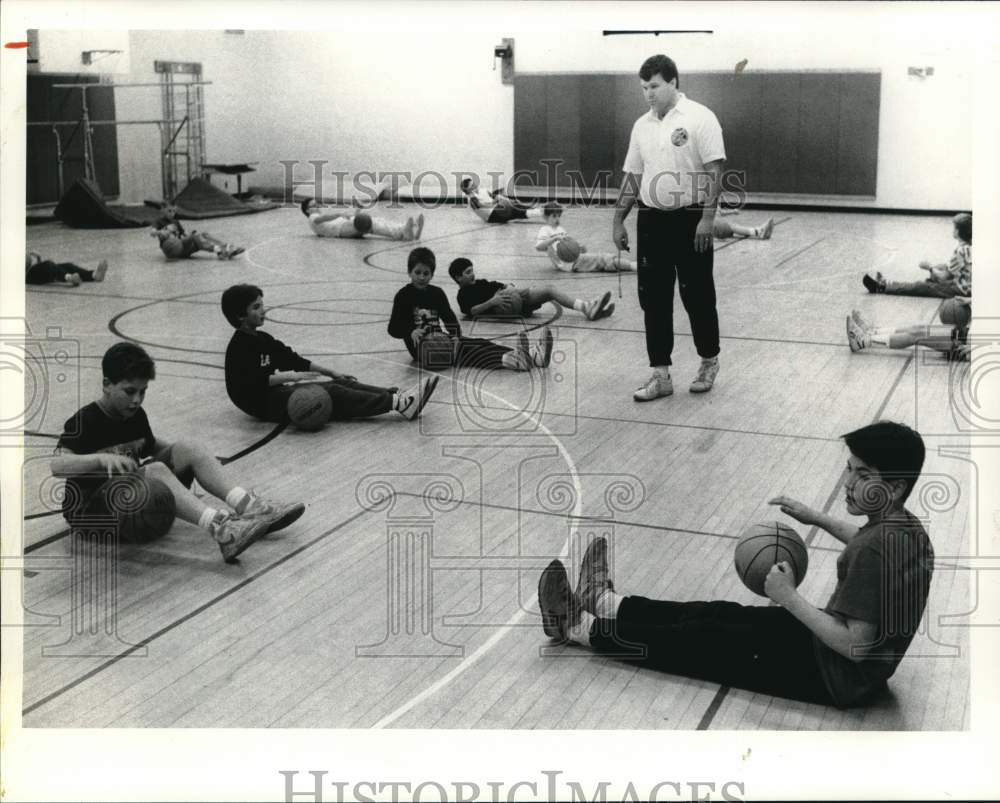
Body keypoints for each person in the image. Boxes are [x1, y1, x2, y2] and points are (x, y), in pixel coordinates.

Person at [538, 421, 933, 709]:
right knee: (715, 614)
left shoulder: (874, 550)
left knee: (694, 642)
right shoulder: (905, 529)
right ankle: (606, 602)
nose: (848, 482)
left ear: (895, 487)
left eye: (863, 475)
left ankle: (577, 627)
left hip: (834, 676)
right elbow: (863, 544)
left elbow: (856, 646)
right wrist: (816, 517)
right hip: (844, 665)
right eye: (849, 468)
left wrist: (788, 598)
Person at [51, 342, 305, 563]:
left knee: (189, 446)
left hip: (131, 500)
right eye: (130, 391)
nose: (137, 399)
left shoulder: (135, 415)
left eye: (143, 392)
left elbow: (152, 446)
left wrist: (195, 458)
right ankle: (223, 531)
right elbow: (57, 465)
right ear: (107, 384)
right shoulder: (86, 420)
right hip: (92, 513)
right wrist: (99, 459)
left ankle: (251, 507)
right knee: (156, 469)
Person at [611, 54, 726, 400]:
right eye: (644, 88)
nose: (648, 93)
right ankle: (660, 375)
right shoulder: (641, 126)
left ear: (673, 82)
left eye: (655, 86)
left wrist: (707, 218)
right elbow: (633, 177)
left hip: (691, 219)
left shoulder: (700, 117)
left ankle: (708, 361)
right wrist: (618, 220)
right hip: (651, 221)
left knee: (697, 295)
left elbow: (715, 171)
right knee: (654, 300)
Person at [222, 284, 438, 423]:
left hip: (273, 393)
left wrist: (331, 372)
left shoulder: (263, 338)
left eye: (262, 305)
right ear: (241, 315)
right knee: (332, 392)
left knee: (342, 383)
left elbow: (293, 359)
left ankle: (397, 395)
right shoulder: (238, 347)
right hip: (260, 404)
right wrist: (292, 377)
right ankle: (399, 404)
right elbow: (254, 382)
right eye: (256, 307)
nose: (263, 310)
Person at [388, 247, 553, 372]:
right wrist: (410, 331)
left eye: (426, 273)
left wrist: (456, 336)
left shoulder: (436, 293)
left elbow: (449, 318)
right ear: (409, 272)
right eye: (417, 272)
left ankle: (532, 356)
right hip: (423, 350)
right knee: (469, 353)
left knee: (479, 343)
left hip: (441, 339)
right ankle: (512, 360)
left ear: (432, 274)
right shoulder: (403, 296)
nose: (422, 277)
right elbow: (393, 328)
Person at [448, 257, 615, 321]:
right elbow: (472, 311)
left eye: (472, 270)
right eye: (467, 272)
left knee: (549, 290)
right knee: (546, 291)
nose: (472, 274)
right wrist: (493, 301)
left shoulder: (481, 282)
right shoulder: (462, 295)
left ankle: (586, 307)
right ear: (458, 277)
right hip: (504, 308)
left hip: (512, 296)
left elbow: (499, 285)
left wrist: (509, 287)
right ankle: (588, 308)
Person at [862, 213, 971, 297]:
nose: (952, 230)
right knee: (938, 270)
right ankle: (889, 284)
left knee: (920, 286)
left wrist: (930, 268)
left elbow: (945, 276)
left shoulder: (960, 251)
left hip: (960, 290)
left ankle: (881, 287)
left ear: (958, 231)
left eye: (954, 228)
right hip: (966, 285)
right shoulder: (969, 247)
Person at [846, 299, 972, 360]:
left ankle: (862, 341)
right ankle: (874, 331)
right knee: (918, 329)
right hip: (968, 336)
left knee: (918, 335)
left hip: (967, 346)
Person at [535, 202, 637, 272]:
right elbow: (539, 247)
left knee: (601, 261)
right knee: (603, 258)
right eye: (554, 216)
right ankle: (633, 265)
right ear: (546, 217)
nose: (557, 219)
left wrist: (579, 248)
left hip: (575, 260)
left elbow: (571, 247)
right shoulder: (545, 229)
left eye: (558, 216)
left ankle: (630, 265)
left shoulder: (561, 229)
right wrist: (554, 239)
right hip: (569, 263)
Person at [300, 198, 423, 241]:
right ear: (307, 210)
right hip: (343, 230)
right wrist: (338, 214)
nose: (317, 206)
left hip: (345, 228)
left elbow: (351, 219)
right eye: (313, 205)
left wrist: (357, 210)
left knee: (377, 221)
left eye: (317, 204)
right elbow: (322, 218)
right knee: (374, 225)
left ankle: (408, 230)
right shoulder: (312, 218)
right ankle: (403, 232)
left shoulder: (322, 222)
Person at [150, 207, 244, 260]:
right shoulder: (158, 221)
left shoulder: (176, 222)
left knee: (204, 235)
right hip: (172, 250)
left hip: (182, 248)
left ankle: (225, 247)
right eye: (169, 211)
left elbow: (184, 235)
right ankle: (220, 251)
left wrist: (189, 234)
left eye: (174, 211)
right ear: (163, 210)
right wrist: (164, 230)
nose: (172, 213)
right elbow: (152, 233)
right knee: (195, 237)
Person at [460, 177, 544, 224]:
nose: (475, 185)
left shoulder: (483, 190)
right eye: (472, 185)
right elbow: (481, 205)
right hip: (491, 216)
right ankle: (539, 210)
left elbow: (494, 196)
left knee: (518, 211)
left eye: (474, 184)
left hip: (497, 210)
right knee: (513, 208)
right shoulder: (471, 197)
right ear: (467, 189)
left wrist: (501, 198)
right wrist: (494, 202)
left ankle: (540, 211)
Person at [25, 252, 108, 286]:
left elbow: (39, 270)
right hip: (27, 276)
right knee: (48, 265)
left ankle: (93, 275)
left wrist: (38, 259)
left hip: (32, 273)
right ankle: (69, 278)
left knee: (67, 266)